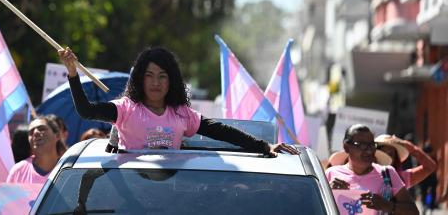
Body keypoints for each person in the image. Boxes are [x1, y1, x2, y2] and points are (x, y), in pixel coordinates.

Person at [59, 46, 297, 155]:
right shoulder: (126, 109)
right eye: (149, 76)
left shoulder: (182, 114)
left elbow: (222, 131)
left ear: (171, 81)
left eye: (162, 76)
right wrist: (72, 73)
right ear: (140, 80)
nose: (155, 82)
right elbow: (86, 110)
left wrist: (264, 146)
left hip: (170, 195)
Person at [326, 124, 418, 215]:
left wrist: (387, 205)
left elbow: (414, 212)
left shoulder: (387, 173)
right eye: (362, 145)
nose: (369, 150)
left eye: (371, 145)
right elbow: (313, 206)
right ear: (346, 147)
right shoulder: (331, 174)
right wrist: (327, 191)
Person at [0, 116, 65, 193]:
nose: (35, 133)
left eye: (42, 128)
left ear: (57, 136)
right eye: (31, 132)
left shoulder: (70, 168)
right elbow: (7, 205)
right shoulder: (18, 171)